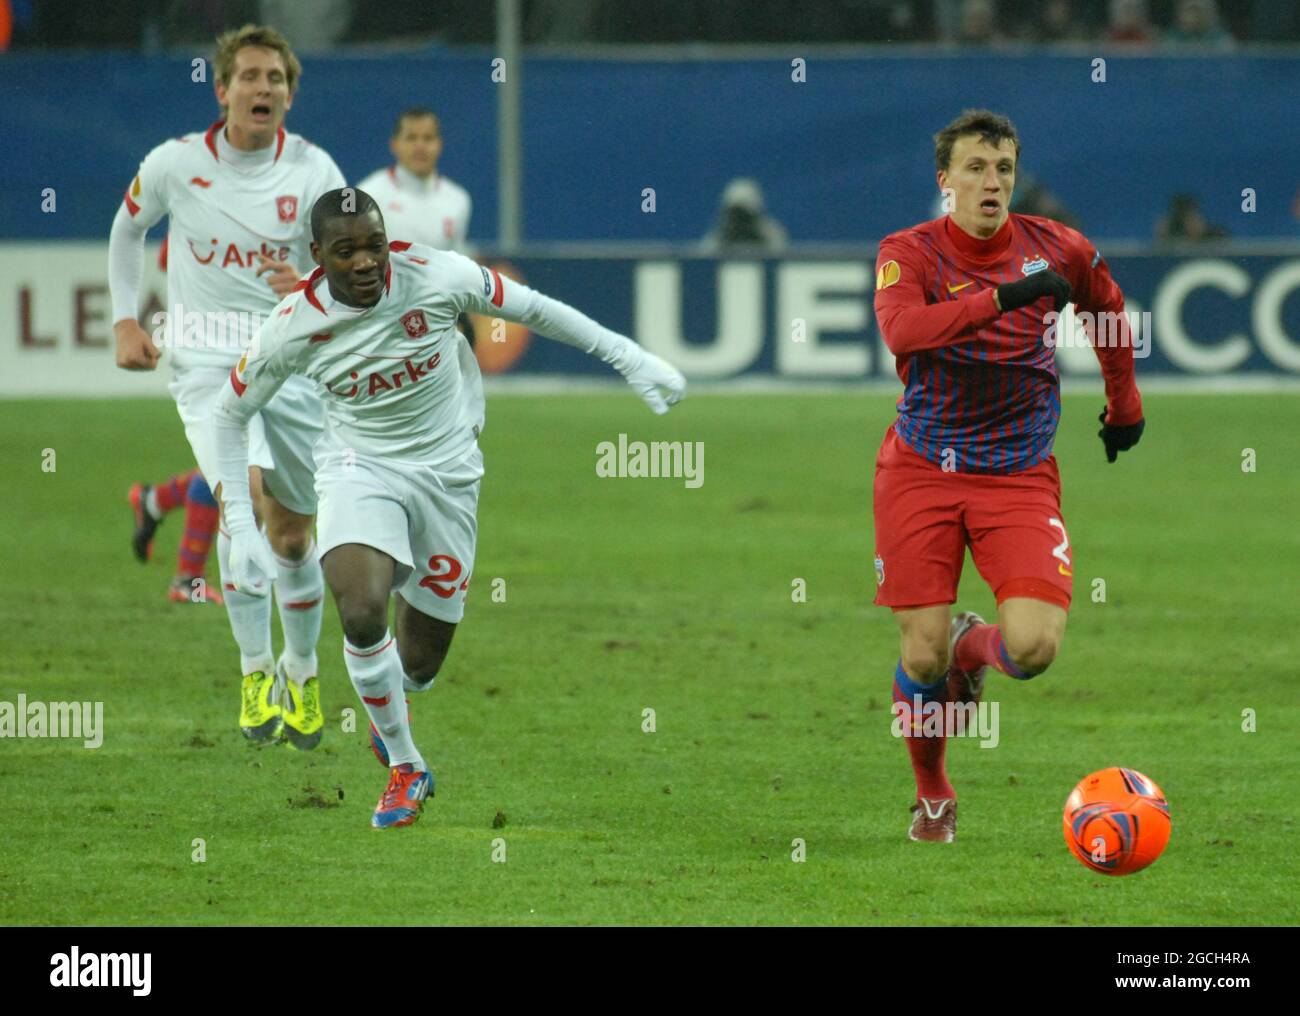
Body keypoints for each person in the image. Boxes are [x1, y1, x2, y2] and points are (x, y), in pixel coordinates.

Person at [212, 188, 687, 828]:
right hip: (359, 468)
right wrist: (241, 524)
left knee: (418, 666)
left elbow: (537, 310)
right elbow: (228, 413)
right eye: (345, 251)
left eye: (374, 245)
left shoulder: (438, 275)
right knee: (359, 608)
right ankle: (406, 768)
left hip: (449, 474)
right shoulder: (292, 326)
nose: (365, 262)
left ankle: (390, 712)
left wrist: (627, 357)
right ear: (317, 257)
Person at [872, 109, 1145, 842]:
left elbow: (1109, 311)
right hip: (922, 470)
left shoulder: (1059, 247)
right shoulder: (909, 252)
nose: (991, 183)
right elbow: (902, 332)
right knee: (919, 651)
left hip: (1018, 474)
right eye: (975, 169)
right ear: (945, 181)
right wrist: (999, 299)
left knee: (1033, 649)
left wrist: (1125, 404)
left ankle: (975, 646)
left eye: (1003, 170)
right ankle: (933, 792)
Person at [108, 24, 346, 749]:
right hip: (206, 363)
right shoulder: (176, 163)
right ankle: (252, 672)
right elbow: (126, 229)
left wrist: (311, 279)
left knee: (294, 532)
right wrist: (125, 320)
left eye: (275, 78)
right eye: (249, 76)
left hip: (291, 364)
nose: (262, 88)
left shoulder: (315, 172)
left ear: (289, 94)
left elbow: (362, 265)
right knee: (241, 495)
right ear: (222, 90)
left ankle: (300, 672)